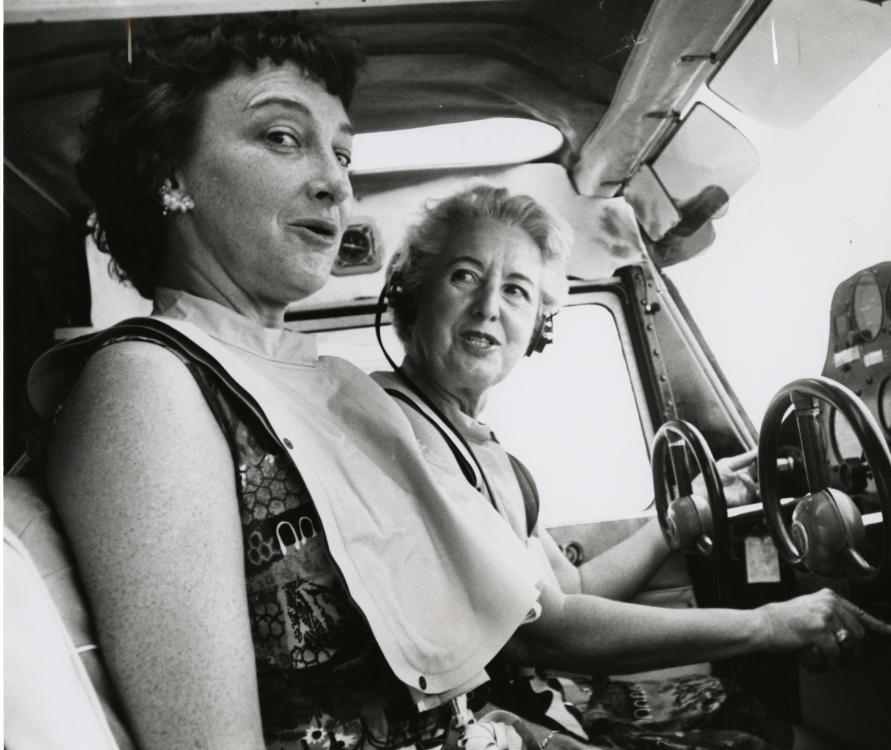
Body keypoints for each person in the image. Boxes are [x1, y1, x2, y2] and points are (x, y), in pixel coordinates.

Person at [26, 15, 552, 750]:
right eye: (283, 137)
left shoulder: (317, 379)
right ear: (169, 174)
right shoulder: (148, 384)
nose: (336, 183)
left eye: (342, 152)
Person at [374, 184, 891, 750]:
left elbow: (566, 587)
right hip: (498, 721)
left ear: (539, 330)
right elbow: (548, 634)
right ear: (412, 295)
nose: (489, 306)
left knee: (748, 714)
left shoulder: (476, 444)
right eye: (465, 276)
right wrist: (768, 624)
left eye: (517, 290)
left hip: (535, 701)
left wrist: (675, 524)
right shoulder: (406, 434)